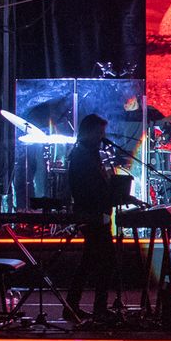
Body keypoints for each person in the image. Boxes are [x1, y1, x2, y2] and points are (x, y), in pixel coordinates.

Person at [65, 112, 115, 325]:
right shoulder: (82, 155)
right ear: (90, 132)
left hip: (96, 213)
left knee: (90, 262)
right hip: (91, 214)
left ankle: (74, 307)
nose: (102, 137)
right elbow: (88, 187)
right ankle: (97, 310)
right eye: (99, 132)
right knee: (104, 262)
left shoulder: (89, 153)